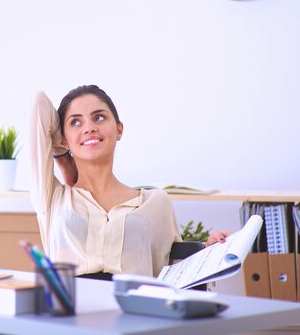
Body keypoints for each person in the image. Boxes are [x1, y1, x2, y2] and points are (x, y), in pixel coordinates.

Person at [29, 85, 228, 280]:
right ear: (63, 139)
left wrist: (208, 252)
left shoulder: (155, 202)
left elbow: (174, 272)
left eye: (98, 117)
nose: (89, 128)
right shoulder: (53, 198)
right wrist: (64, 160)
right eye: (75, 122)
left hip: (133, 307)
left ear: (119, 130)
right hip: (73, 307)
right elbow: (39, 104)